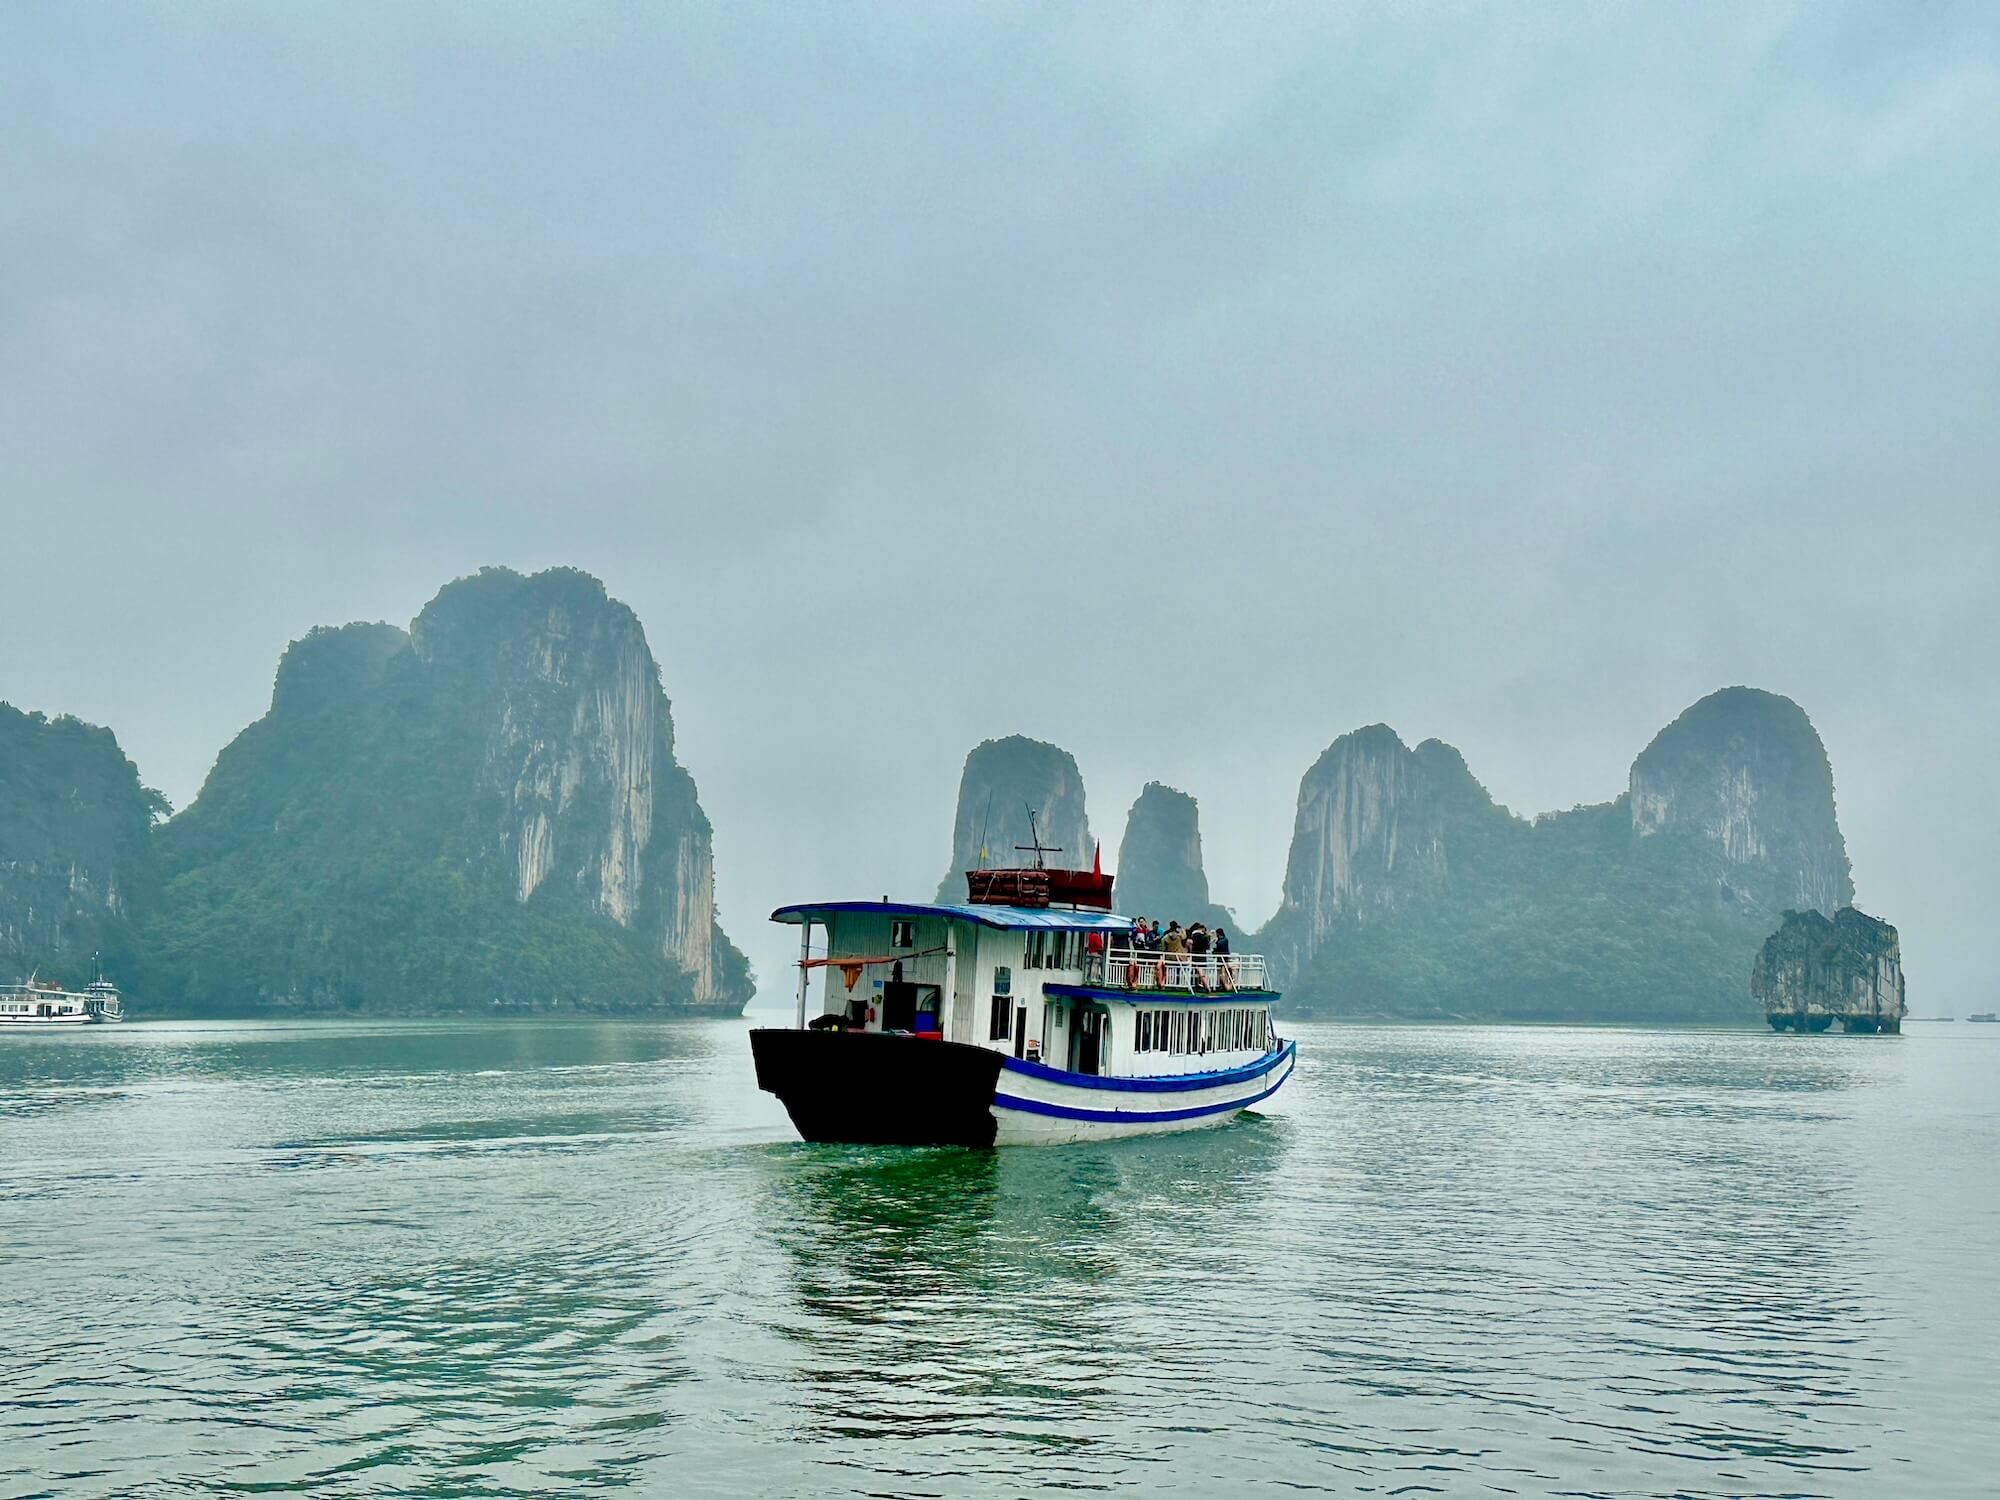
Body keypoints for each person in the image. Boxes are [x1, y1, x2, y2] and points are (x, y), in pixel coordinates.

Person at [1213, 926, 1234, 990]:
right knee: (1224, 971)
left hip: (1222, 958)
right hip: (1224, 957)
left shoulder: (1223, 940)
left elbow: (1220, 947)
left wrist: (1215, 949)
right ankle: (1224, 985)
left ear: (1218, 933)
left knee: (1222, 972)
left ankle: (1225, 985)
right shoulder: (1225, 939)